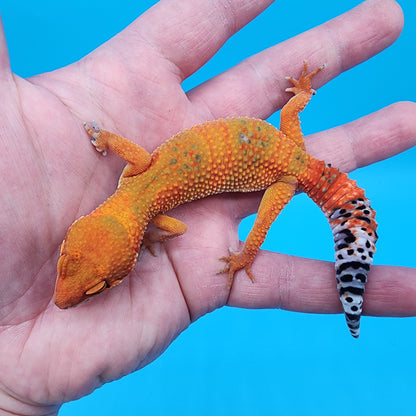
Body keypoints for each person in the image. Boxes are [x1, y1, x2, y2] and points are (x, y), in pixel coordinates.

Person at [0, 0, 415, 414]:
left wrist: (231, 255)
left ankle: (255, 257)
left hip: (286, 174)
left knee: (254, 239)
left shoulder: (141, 197)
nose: (67, 295)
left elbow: (176, 230)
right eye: (88, 280)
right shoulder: (136, 173)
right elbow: (134, 162)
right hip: (281, 145)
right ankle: (329, 253)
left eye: (94, 284)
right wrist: (103, 138)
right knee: (283, 171)